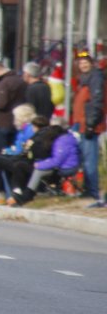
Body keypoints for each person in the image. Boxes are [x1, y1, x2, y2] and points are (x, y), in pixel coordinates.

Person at [70, 51, 105, 207]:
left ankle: (92, 191)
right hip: (80, 123)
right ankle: (87, 188)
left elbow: (97, 101)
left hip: (89, 124)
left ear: (91, 63)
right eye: (80, 62)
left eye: (86, 61)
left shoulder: (95, 78)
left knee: (90, 159)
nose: (83, 64)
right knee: (84, 158)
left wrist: (91, 123)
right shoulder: (82, 79)